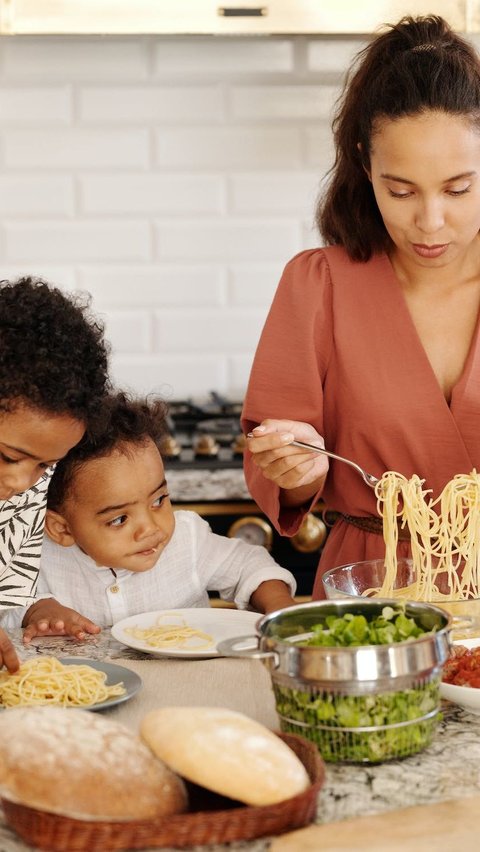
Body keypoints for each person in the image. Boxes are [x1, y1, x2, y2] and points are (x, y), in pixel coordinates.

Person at [241, 14, 480, 599]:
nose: (429, 222)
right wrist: (298, 470)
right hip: (370, 594)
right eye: (400, 190)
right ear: (363, 163)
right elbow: (284, 481)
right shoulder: (318, 285)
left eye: (458, 188)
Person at [1, 392, 297, 632]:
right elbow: (13, 606)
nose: (151, 528)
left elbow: (248, 564)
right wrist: (39, 610)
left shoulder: (187, 540)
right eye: (119, 519)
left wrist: (278, 603)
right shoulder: (34, 555)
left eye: (158, 501)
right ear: (61, 529)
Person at [0, 275, 111, 669]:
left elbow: (11, 599)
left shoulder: (26, 495)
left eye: (45, 465)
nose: (20, 483)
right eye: (7, 456)